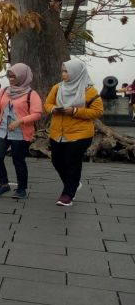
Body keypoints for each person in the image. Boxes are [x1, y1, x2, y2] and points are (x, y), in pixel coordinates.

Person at [45, 59, 103, 207]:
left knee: (72, 162)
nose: (63, 74)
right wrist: (53, 109)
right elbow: (47, 104)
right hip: (58, 133)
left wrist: (75, 111)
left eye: (66, 71)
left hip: (80, 134)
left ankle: (68, 194)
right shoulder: (57, 88)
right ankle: (73, 184)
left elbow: (97, 111)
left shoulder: (89, 91)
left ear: (76, 73)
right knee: (57, 161)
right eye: (62, 71)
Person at [0, 63, 42, 199]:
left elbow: (37, 114)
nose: (10, 79)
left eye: (14, 76)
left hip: (21, 132)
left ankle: (21, 188)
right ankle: (3, 184)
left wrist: (19, 121)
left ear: (22, 76)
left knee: (18, 160)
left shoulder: (32, 94)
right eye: (9, 76)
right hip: (2, 130)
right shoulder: (4, 90)